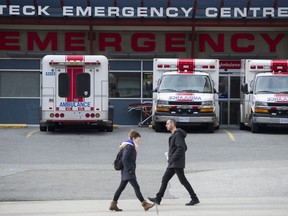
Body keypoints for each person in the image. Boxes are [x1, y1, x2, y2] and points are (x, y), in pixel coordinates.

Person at [148, 119, 200, 206]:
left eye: (167, 123)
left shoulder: (177, 135)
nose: (166, 125)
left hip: (176, 163)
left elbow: (181, 148)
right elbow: (184, 147)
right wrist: (172, 155)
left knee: (183, 181)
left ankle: (194, 198)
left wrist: (172, 157)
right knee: (165, 179)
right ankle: (158, 198)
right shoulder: (176, 135)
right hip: (173, 163)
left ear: (172, 124)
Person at [110, 130, 155, 212]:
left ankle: (113, 204)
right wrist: (130, 169)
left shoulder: (127, 145)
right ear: (133, 138)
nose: (139, 141)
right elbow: (124, 159)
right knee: (136, 187)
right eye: (138, 139)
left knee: (121, 188)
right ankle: (145, 204)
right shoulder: (129, 146)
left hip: (125, 171)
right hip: (128, 171)